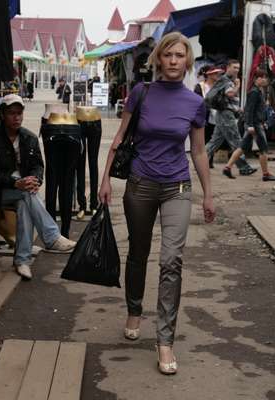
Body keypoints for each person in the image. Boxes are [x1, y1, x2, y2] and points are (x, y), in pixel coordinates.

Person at [99, 32, 215, 375]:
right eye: (169, 55)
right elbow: (120, 138)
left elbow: (198, 151)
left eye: (181, 55)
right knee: (138, 252)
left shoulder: (195, 103)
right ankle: (135, 308)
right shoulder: (141, 93)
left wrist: (208, 194)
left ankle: (165, 340)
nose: (175, 61)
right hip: (140, 184)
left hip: (177, 186)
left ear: (188, 61)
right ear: (159, 60)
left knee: (171, 260)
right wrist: (105, 179)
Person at [0, 94, 76, 280]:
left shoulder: (29, 137)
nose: (16, 117)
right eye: (11, 113)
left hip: (22, 191)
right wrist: (16, 182)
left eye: (19, 113)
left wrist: (36, 180)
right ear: (2, 115)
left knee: (25, 201)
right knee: (25, 194)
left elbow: (38, 165)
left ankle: (22, 261)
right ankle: (51, 237)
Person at [222, 69, 275, 181]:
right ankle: (266, 174)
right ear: (257, 79)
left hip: (254, 124)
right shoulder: (254, 92)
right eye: (263, 77)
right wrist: (250, 125)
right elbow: (249, 110)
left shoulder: (258, 91)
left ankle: (227, 168)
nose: (265, 80)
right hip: (255, 124)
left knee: (242, 147)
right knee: (263, 149)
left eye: (265, 77)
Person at [203, 61, 256, 175]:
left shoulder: (224, 80)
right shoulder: (227, 80)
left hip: (223, 113)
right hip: (226, 115)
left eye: (238, 68)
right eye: (234, 67)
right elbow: (230, 94)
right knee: (236, 140)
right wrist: (237, 85)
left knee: (215, 141)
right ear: (228, 68)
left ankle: (200, 160)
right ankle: (244, 167)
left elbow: (229, 99)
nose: (237, 70)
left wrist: (237, 109)